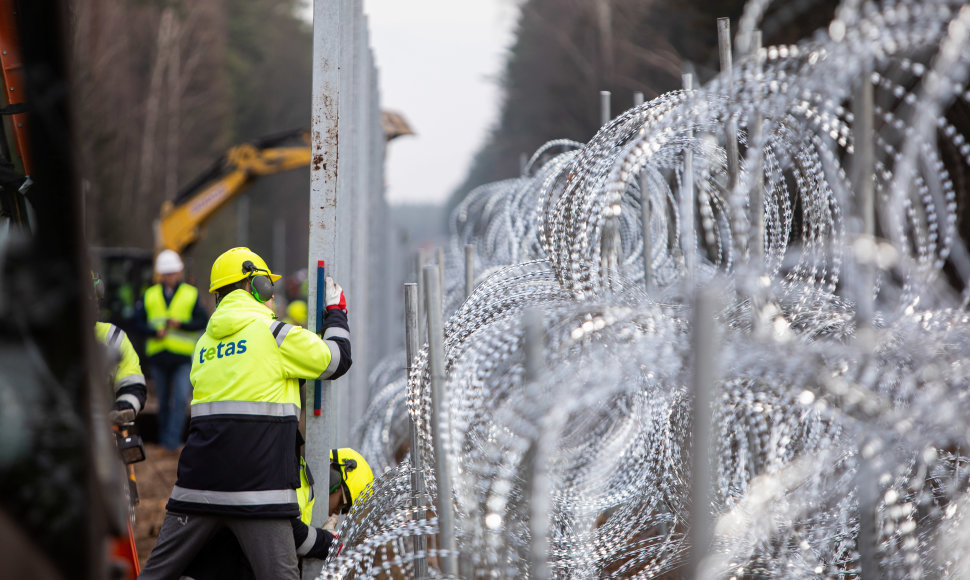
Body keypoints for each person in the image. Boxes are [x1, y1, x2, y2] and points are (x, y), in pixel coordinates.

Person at [138, 247, 352, 580]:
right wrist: (337, 311)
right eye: (268, 286)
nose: (273, 296)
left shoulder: (204, 346)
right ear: (258, 286)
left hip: (195, 492)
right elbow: (337, 359)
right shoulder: (275, 335)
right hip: (259, 494)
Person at [179, 448, 375, 579]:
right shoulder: (296, 480)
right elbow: (286, 534)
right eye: (341, 504)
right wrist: (328, 542)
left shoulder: (304, 483)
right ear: (333, 480)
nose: (335, 512)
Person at [132, 249, 207, 452]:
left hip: (182, 357)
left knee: (181, 398)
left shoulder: (190, 294)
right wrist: (154, 332)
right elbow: (136, 322)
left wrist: (180, 324)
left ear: (179, 272)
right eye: (166, 273)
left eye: (172, 273)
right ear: (161, 274)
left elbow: (202, 320)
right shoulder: (150, 295)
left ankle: (172, 443)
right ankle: (164, 441)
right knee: (163, 402)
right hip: (158, 357)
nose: (170, 277)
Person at [93, 272, 148, 425]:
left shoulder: (112, 336)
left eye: (96, 299)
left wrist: (122, 409)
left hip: (101, 429)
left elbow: (132, 384)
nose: (95, 305)